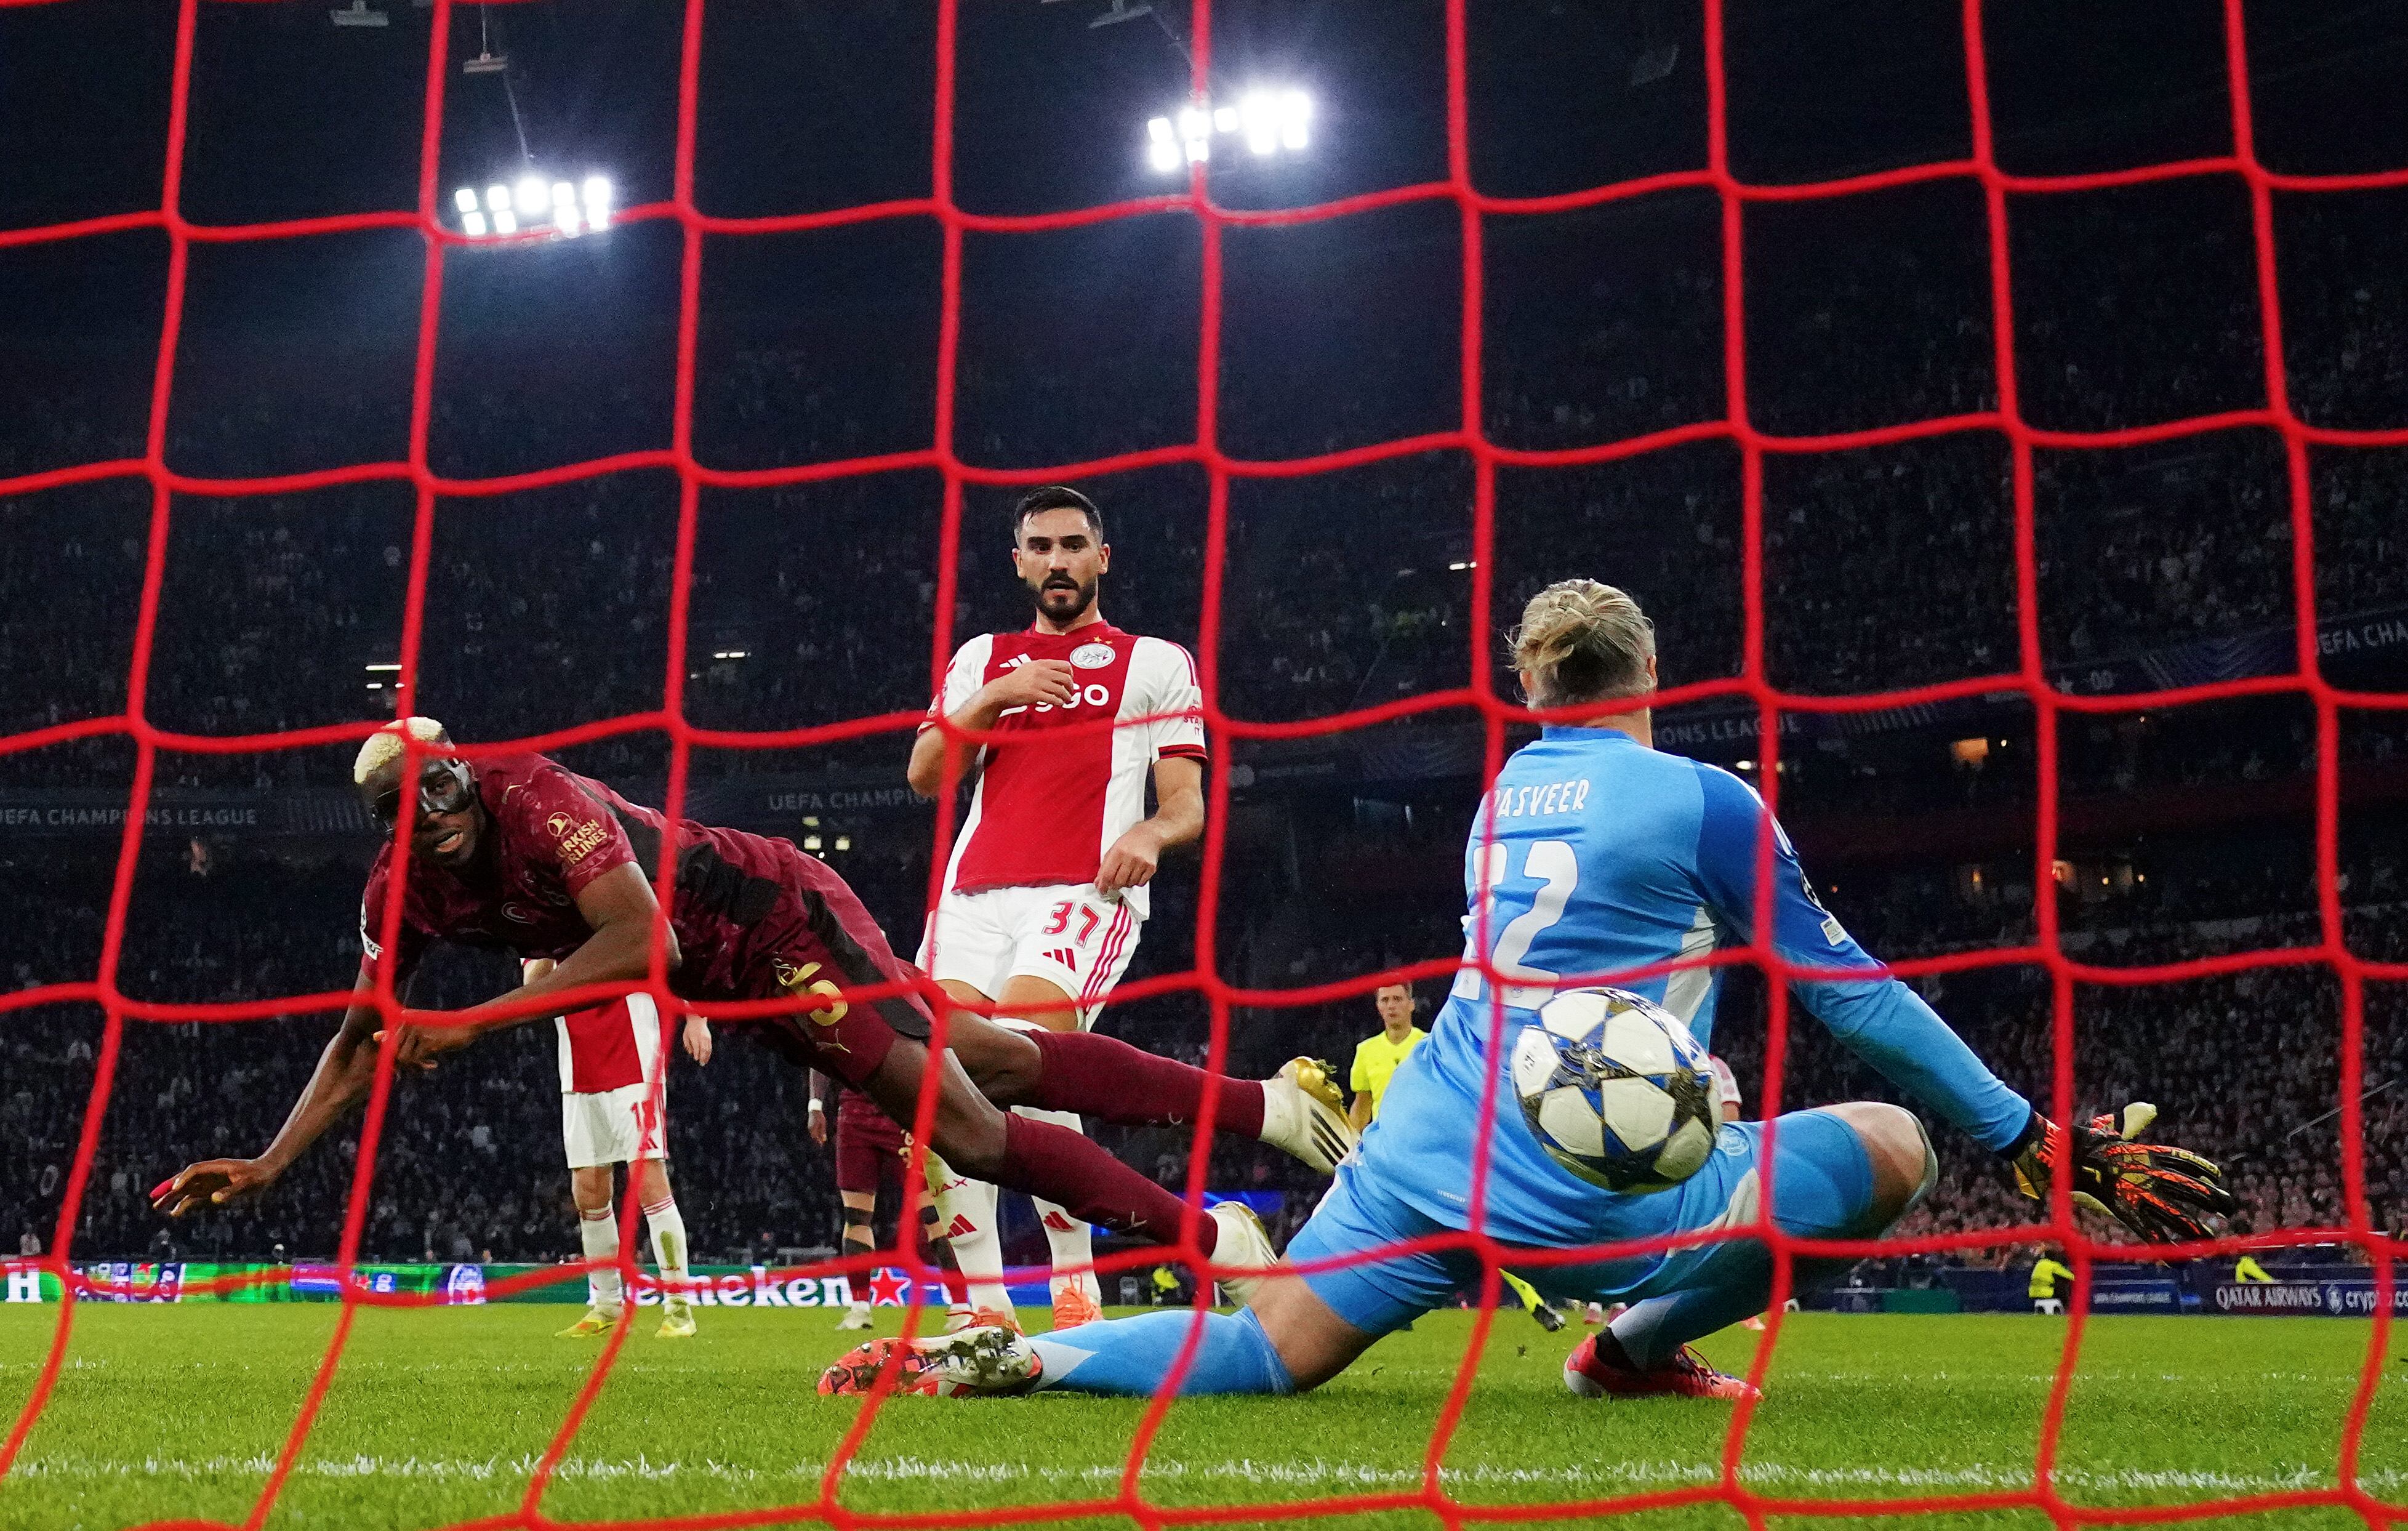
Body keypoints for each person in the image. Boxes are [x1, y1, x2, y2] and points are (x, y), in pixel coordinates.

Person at [821, 579, 2234, 1402]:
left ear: (1523, 683)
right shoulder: (1700, 796)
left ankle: (1024, 1360)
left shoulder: (1496, 798)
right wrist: (2028, 1138)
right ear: (1651, 674)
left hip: (1427, 1154)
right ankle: (1630, 1350)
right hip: (1592, 1194)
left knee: (1276, 1349)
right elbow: (1848, 993)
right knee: (1890, 1146)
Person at [150, 718, 1357, 1296]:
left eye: (451, 791)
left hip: (776, 922)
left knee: (970, 1126)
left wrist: (476, 1026)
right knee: (996, 1052)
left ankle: (1220, 1249)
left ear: (466, 775)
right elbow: (364, 1028)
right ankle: (1268, 1107)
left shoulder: (539, 796)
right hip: (726, 975)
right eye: (423, 811)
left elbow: (643, 934)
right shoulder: (399, 891)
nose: (447, 815)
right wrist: (270, 1159)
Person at [905, 485, 1214, 1333]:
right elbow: (928, 774)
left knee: (1026, 1051)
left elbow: (1187, 801)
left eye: (1073, 545)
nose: (1057, 561)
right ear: (1019, 562)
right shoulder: (983, 657)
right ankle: (986, 1308)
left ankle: (1075, 1289)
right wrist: (995, 696)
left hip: (1082, 891)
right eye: (1039, 546)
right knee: (934, 1080)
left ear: (1102, 557)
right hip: (969, 900)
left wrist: (1152, 834)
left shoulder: (1156, 661)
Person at [529, 958, 710, 1340]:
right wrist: (549, 944)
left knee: (649, 1181)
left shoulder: (619, 904)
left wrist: (696, 1016)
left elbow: (675, 956)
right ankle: (606, 1304)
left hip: (635, 1063)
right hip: (578, 1072)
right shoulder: (543, 923)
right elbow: (533, 986)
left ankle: (679, 1308)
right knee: (588, 1191)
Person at [1346, 982, 1427, 1134]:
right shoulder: (1366, 1050)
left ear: (1411, 1005)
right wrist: (1352, 1145)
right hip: (1383, 1142)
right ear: (1378, 1006)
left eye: (1397, 999)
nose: (1391, 1006)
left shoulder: (1428, 1046)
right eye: (1385, 1000)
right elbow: (1362, 1106)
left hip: (1422, 1139)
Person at [2028, 1247, 2074, 1315]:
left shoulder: (2039, 1264)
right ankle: (2065, 1311)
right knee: (2062, 1288)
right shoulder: (2054, 1265)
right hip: (2047, 1293)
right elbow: (2070, 1276)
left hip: (2033, 1293)